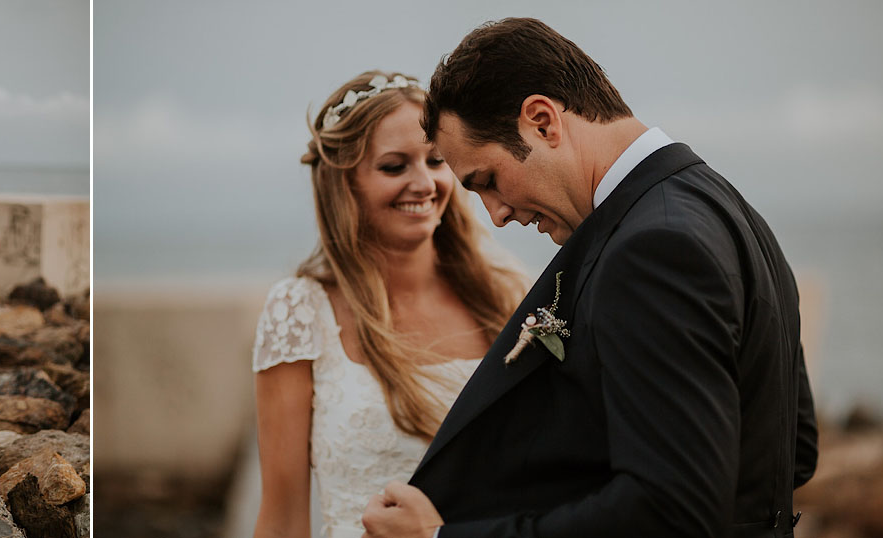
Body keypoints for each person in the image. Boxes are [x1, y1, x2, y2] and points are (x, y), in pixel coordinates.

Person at [359, 18, 819, 538]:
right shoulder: (725, 208)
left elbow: (673, 513)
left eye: (487, 181)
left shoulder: (652, 250)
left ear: (542, 121)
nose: (497, 214)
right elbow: (793, 450)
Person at [252, 70, 527, 538]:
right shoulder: (298, 312)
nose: (424, 183)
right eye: (394, 166)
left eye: (436, 161)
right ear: (345, 184)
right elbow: (281, 519)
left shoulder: (507, 294)